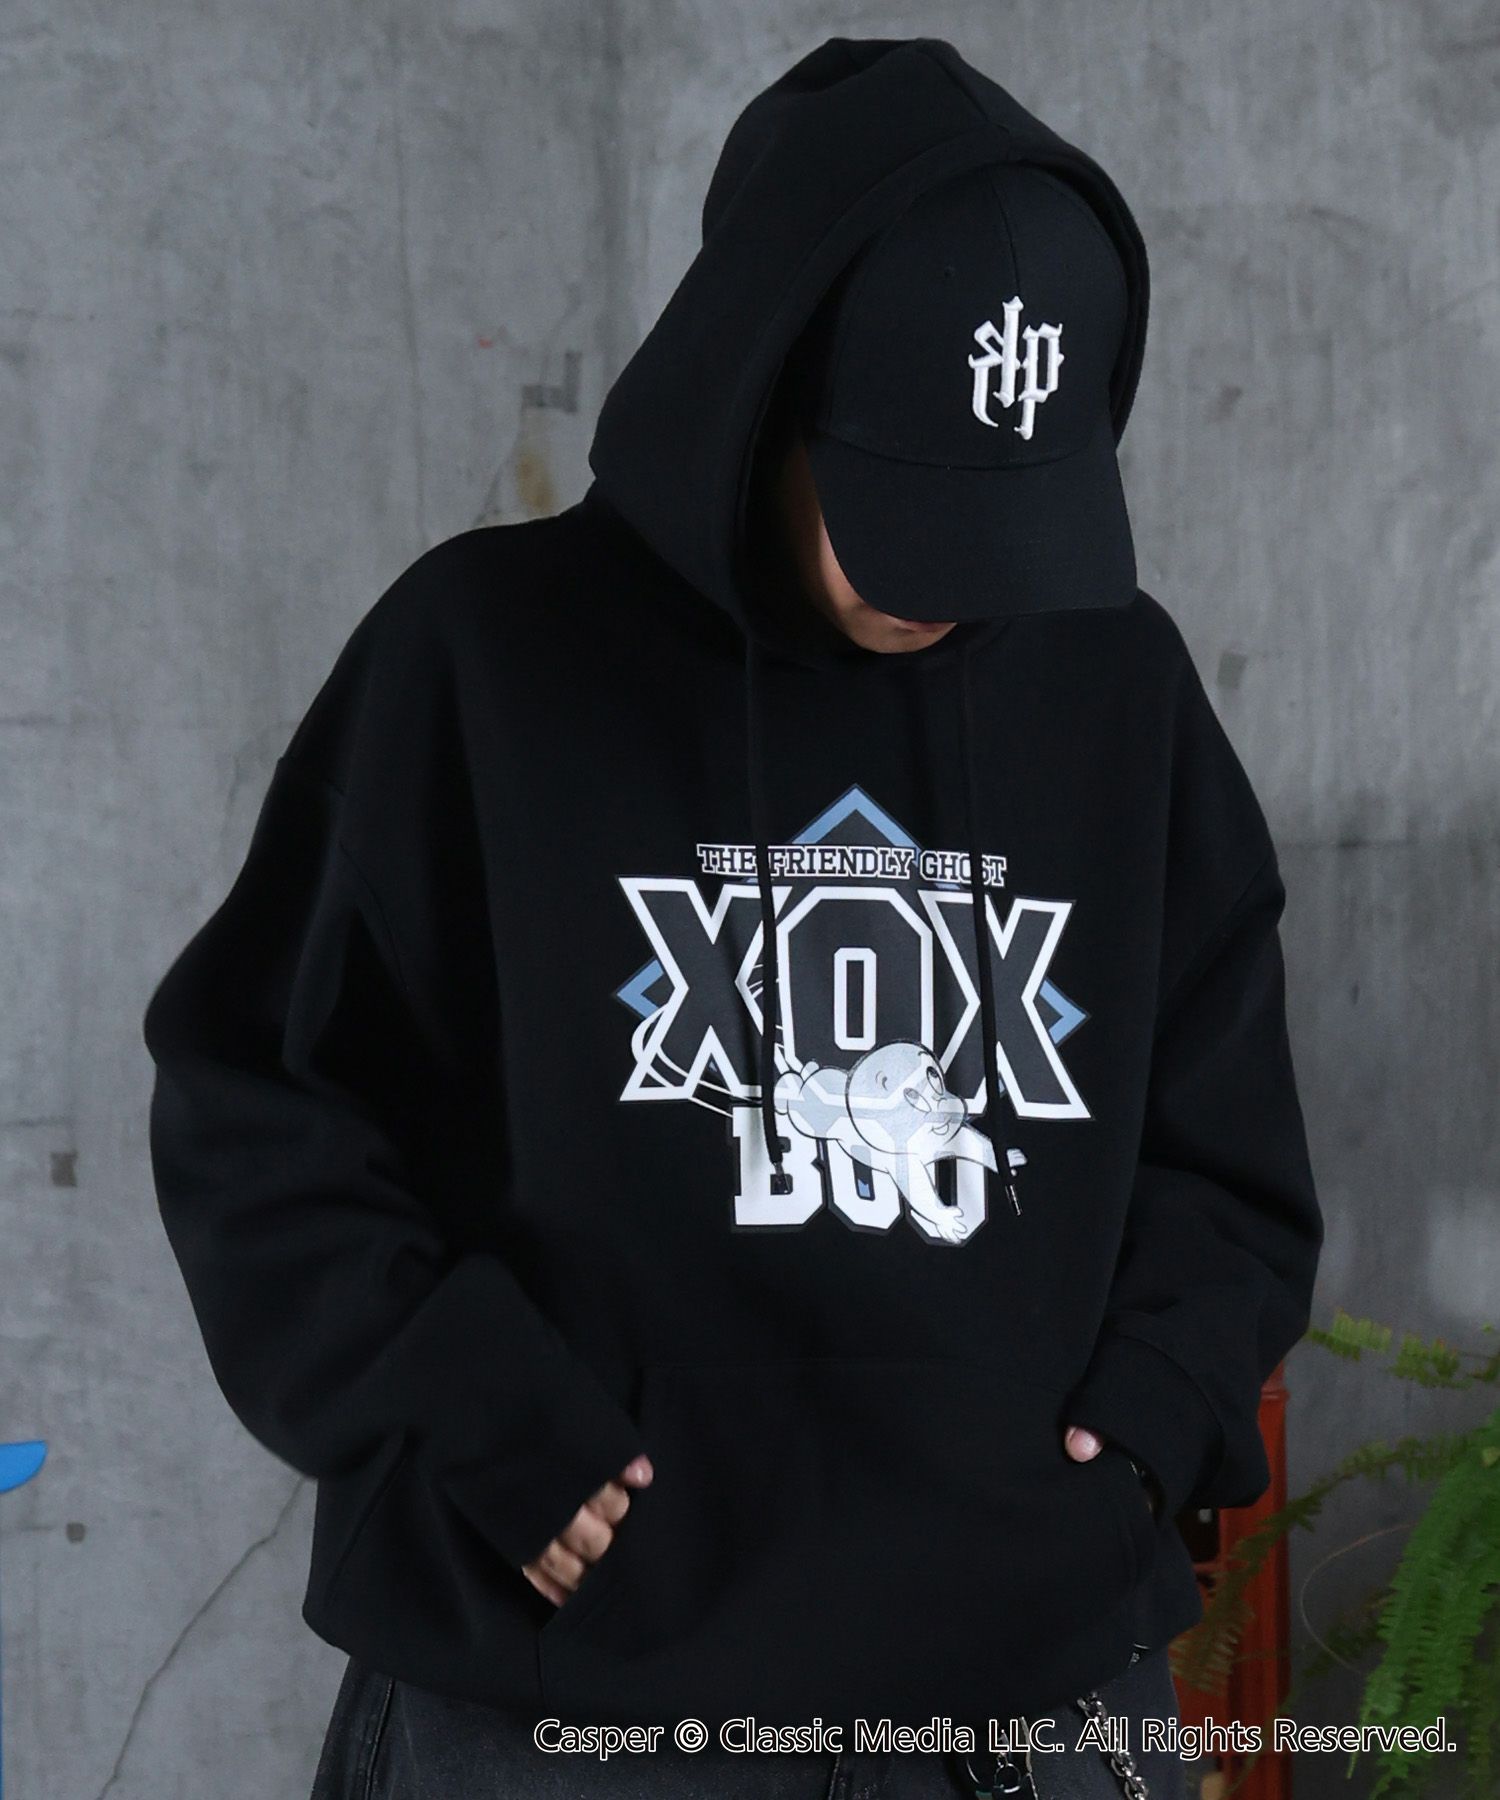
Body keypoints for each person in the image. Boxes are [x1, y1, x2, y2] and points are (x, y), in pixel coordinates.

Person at [141, 35, 1323, 1800]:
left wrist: (1152, 1425)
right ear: (752, 388)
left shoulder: (1121, 691)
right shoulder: (482, 662)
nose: (952, 589)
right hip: (570, 1713)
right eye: (901, 509)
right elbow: (259, 1108)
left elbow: (1231, 1161)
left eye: (1008, 521)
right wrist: (470, 1417)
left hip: (1023, 1713)